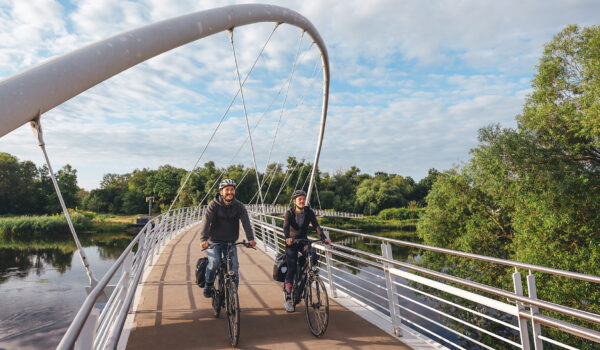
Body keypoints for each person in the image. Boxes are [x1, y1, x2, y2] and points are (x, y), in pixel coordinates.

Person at [200, 179, 257, 298]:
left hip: (230, 242)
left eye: (232, 189)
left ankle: (232, 296)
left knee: (234, 269)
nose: (230, 192)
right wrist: (203, 239)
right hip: (214, 241)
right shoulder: (214, 205)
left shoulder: (239, 206)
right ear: (221, 192)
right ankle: (209, 284)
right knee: (214, 262)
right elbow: (206, 221)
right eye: (227, 190)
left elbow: (246, 222)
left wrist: (250, 239)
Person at [283, 189, 331, 312]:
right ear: (294, 201)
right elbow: (286, 226)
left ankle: (305, 276)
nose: (302, 201)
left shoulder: (309, 212)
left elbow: (316, 226)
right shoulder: (289, 212)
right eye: (300, 199)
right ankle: (288, 298)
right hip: (292, 243)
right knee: (292, 268)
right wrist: (288, 237)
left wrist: (324, 238)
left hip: (304, 241)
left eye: (304, 199)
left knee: (313, 257)